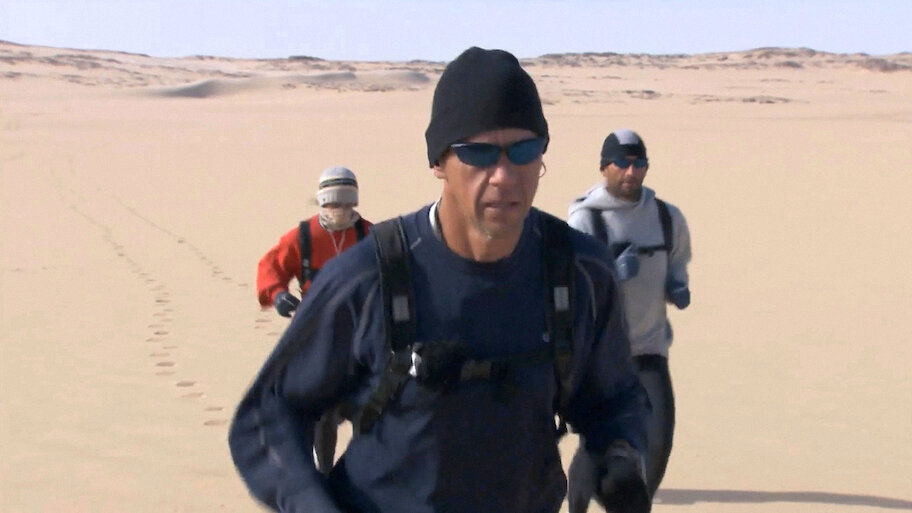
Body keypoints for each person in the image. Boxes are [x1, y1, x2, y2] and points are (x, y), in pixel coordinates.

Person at [230, 47, 651, 513]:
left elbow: (614, 396)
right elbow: (268, 414)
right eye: (478, 153)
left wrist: (618, 453)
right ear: (439, 162)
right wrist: (309, 503)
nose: (504, 176)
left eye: (524, 150)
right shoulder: (367, 279)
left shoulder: (580, 273)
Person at [567, 129, 692, 500]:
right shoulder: (586, 220)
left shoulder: (666, 217)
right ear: (604, 167)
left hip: (650, 349)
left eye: (639, 164)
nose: (631, 172)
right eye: (621, 163)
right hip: (602, 356)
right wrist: (611, 275)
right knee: (597, 446)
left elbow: (678, 259)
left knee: (658, 441)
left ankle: (639, 504)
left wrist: (677, 285)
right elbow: (574, 287)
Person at [255, 165, 373, 474]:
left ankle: (362, 470)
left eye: (346, 203)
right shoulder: (304, 236)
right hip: (316, 335)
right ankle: (323, 472)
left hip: (363, 334)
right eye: (334, 203)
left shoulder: (370, 235)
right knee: (323, 412)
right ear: (322, 202)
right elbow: (270, 266)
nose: (340, 210)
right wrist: (277, 294)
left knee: (370, 407)